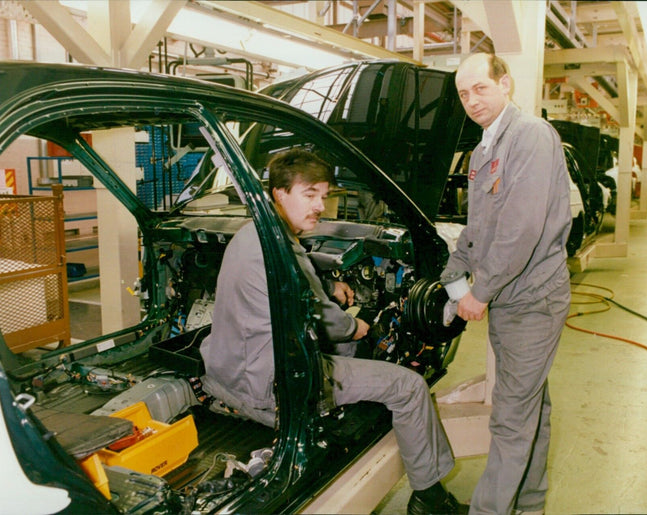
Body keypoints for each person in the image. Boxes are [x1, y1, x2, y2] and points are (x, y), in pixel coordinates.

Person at [199, 148, 467, 514]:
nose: (320, 206)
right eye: (309, 194)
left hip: (224, 374)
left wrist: (326, 287)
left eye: (323, 196)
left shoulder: (253, 235)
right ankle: (431, 500)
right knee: (409, 387)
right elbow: (328, 322)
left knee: (345, 355)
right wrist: (356, 325)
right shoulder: (282, 250)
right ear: (279, 193)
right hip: (268, 391)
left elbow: (289, 290)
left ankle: (353, 415)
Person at [442, 53, 572, 514]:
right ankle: (530, 503)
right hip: (512, 299)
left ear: (506, 84)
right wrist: (455, 266)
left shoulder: (531, 136)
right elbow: (479, 225)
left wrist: (480, 291)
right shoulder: (482, 148)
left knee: (512, 419)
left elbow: (520, 229)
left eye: (480, 88)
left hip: (533, 298)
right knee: (531, 405)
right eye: (463, 93)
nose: (472, 100)